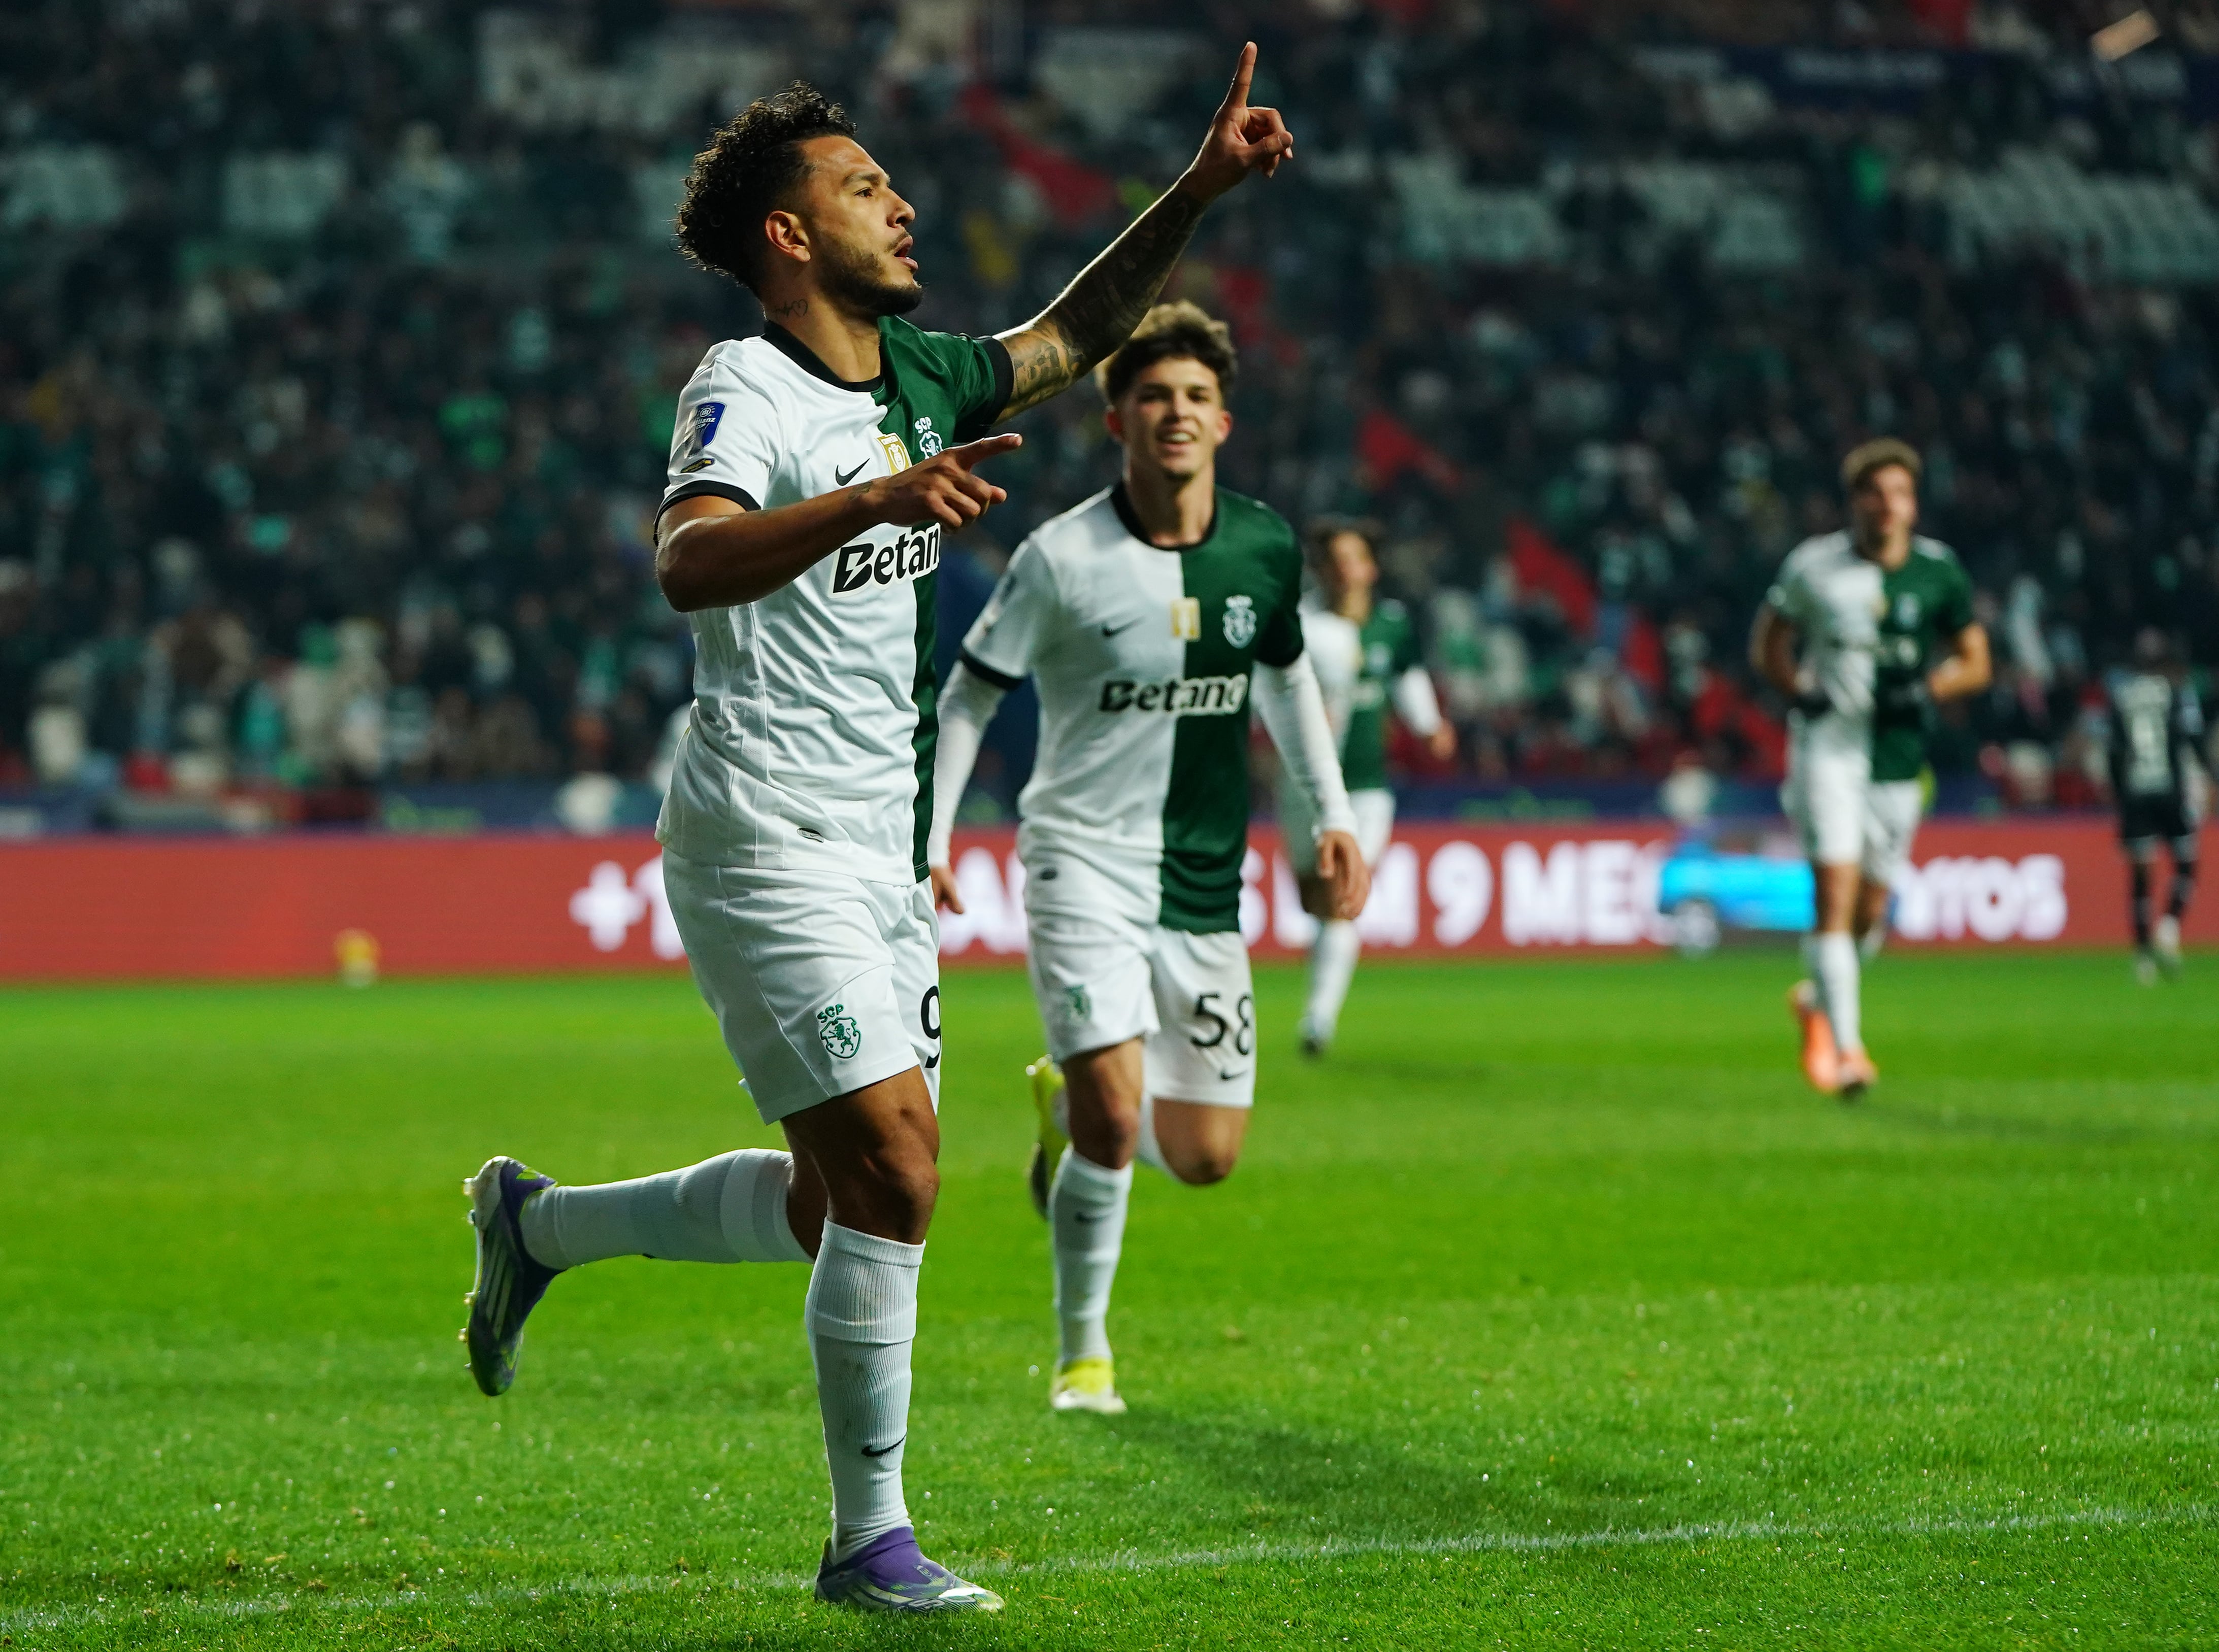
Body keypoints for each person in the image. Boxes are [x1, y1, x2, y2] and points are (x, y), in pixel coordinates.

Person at [458, 53, 1295, 1615]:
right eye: (861, 186)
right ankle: (869, 1543)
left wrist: (1192, 191)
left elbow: (1075, 336)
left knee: (826, 1199)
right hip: (761, 829)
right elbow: (689, 559)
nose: (901, 202)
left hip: (874, 840)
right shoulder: (746, 384)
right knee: (900, 1174)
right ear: (787, 234)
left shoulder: (916, 371)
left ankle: (540, 1224)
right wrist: (870, 504)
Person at [925, 302, 1367, 1418]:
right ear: (1116, 418)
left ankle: (1063, 1114)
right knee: (1119, 1122)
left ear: (1224, 421)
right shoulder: (1062, 557)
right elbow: (969, 696)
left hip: (1204, 880)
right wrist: (929, 836)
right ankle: (1085, 1354)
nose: (1175, 414)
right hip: (1079, 860)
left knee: (1205, 1154)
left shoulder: (1263, 548)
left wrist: (1332, 816)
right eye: (1154, 397)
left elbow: (1288, 683)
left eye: (1195, 398)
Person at [1749, 439, 1990, 1099]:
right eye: (1874, 493)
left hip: (1897, 756)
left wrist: (1932, 689)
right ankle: (1849, 1051)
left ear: (1912, 504)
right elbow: (1767, 639)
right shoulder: (1813, 567)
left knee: (1871, 908)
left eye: (1899, 494)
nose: (1887, 506)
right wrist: (1797, 690)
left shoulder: (1937, 572)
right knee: (1832, 894)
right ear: (1853, 501)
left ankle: (1813, 1000)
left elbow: (1975, 659)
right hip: (1826, 745)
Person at [1282, 518, 1453, 1056]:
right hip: (1300, 784)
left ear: (1370, 568)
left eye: (1352, 559)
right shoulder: (1299, 625)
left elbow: (1406, 680)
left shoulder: (1391, 626)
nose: (1343, 571)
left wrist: (1428, 726)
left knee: (1340, 896)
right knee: (1315, 899)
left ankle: (1318, 1022)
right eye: (1333, 560)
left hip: (1365, 787)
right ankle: (1319, 1008)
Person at [2107, 628, 2203, 983]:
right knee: (2187, 861)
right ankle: (2169, 925)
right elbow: (2190, 739)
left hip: (2134, 793)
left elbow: (2114, 752)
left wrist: (2120, 794)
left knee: (2140, 876)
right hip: (2169, 789)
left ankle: (2143, 958)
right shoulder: (2175, 694)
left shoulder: (2122, 696)